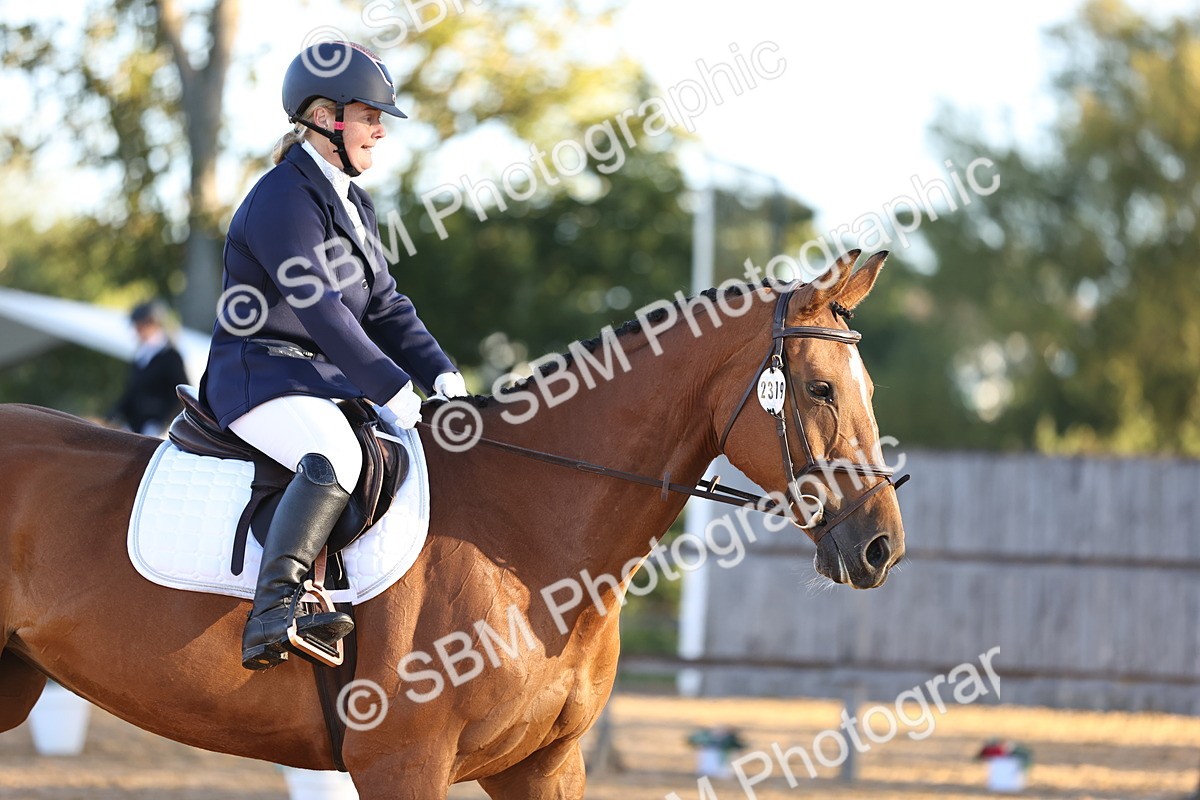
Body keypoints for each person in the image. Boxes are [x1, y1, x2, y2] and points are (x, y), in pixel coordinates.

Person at [199, 41, 469, 670]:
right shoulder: (281, 197)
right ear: (325, 118)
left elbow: (385, 305)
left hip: (315, 379)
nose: (380, 129)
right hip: (259, 372)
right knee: (336, 456)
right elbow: (318, 305)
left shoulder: (354, 203)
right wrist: (391, 386)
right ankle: (274, 613)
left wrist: (442, 374)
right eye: (369, 116)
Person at [112, 300, 189, 437]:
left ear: (152, 324)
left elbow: (181, 394)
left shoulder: (171, 357)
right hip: (135, 423)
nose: (136, 332)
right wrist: (112, 416)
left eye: (140, 326)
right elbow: (132, 393)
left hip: (158, 426)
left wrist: (164, 423)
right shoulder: (141, 356)